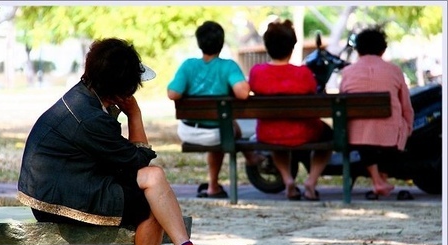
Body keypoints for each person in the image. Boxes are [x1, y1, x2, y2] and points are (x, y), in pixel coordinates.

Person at [17, 37, 231, 245]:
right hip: (59, 200)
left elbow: (129, 163)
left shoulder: (87, 96)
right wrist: (135, 115)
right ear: (122, 93)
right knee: (148, 205)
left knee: (153, 179)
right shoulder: (90, 118)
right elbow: (134, 160)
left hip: (67, 183)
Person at [167, 20, 263, 199]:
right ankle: (218, 182)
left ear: (199, 43)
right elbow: (243, 93)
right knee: (227, 126)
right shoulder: (228, 66)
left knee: (226, 125)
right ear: (221, 42)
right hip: (216, 133)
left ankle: (215, 184)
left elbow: (173, 93)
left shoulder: (188, 65)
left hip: (187, 131)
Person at [248, 19, 333, 201]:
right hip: (304, 132)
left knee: (278, 132)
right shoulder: (303, 73)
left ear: (267, 46)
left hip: (269, 133)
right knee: (330, 135)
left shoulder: (257, 72)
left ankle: (288, 180)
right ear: (292, 47)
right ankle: (311, 182)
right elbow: (314, 91)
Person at [339, 26, 414, 200]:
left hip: (357, 134)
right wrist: (408, 127)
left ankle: (378, 181)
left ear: (358, 50)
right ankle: (381, 180)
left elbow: (343, 101)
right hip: (389, 133)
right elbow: (406, 107)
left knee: (366, 131)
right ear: (383, 49)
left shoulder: (348, 72)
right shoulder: (394, 70)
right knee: (394, 129)